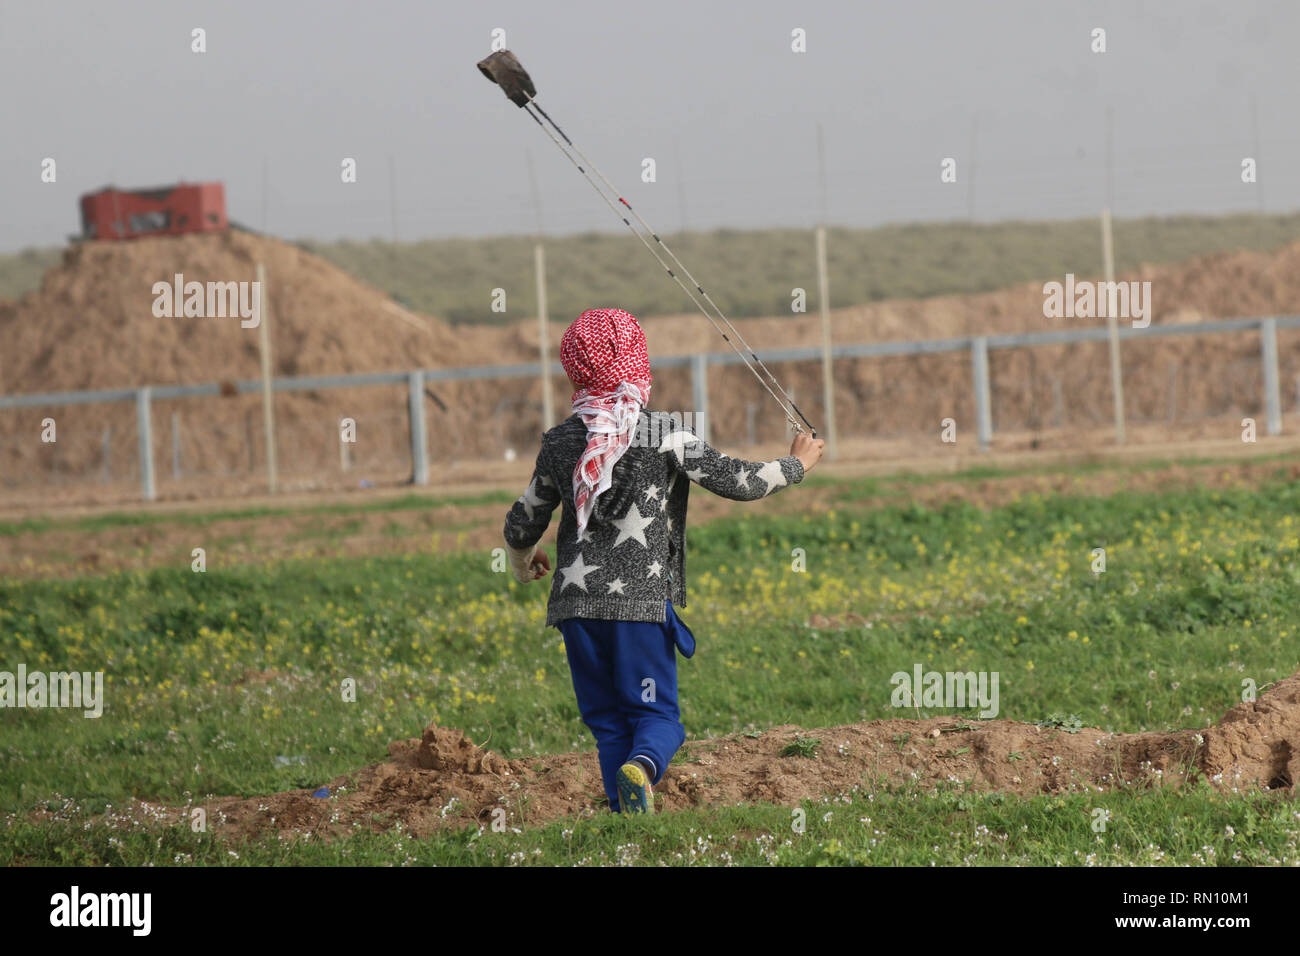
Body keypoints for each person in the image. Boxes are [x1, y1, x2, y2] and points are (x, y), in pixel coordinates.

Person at [502, 307, 824, 813]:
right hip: (640, 606)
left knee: (608, 720)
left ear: (574, 368)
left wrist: (522, 562)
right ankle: (644, 768)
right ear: (638, 363)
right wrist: (797, 463)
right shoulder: (664, 432)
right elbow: (737, 481)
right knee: (657, 716)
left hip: (575, 608)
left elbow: (524, 520)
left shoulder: (561, 441)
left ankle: (624, 810)